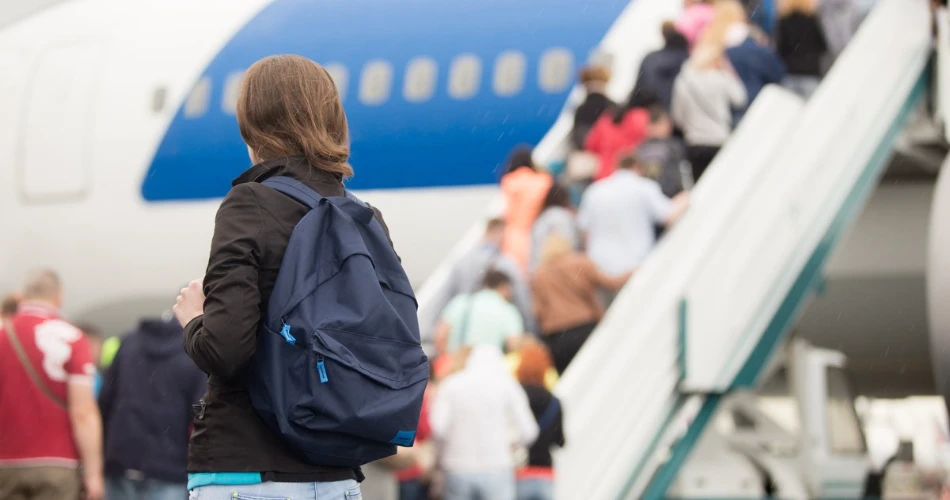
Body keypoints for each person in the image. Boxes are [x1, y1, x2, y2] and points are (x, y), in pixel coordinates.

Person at [172, 55, 385, 499]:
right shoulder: (364, 218)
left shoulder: (248, 204)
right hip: (338, 477)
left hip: (246, 473)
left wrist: (194, 320)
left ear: (253, 126)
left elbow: (227, 349)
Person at [0, 270, 104, 500]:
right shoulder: (73, 338)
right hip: (58, 464)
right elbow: (83, 413)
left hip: (5, 463)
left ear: (23, 296)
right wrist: (93, 474)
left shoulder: (3, 333)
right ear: (59, 297)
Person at [99, 314, 206, 500]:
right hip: (169, 467)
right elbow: (202, 414)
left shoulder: (129, 342)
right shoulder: (193, 351)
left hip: (120, 461)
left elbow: (104, 402)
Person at [430, 345, 539, 500]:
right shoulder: (507, 386)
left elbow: (438, 428)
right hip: (497, 467)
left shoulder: (451, 385)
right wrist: (510, 443)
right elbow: (529, 431)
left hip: (457, 467)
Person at [578, 152, 690, 280]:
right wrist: (685, 198)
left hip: (601, 270)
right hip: (635, 266)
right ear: (638, 167)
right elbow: (668, 215)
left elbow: (584, 232)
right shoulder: (644, 187)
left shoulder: (593, 191)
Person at [531, 235, 630, 374]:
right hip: (586, 328)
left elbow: (538, 312)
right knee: (600, 373)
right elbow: (610, 283)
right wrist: (633, 272)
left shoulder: (538, 275)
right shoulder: (581, 263)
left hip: (558, 337)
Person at [438, 217, 535, 334]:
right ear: (501, 233)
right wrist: (531, 329)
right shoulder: (506, 264)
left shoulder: (461, 262)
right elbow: (521, 299)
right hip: (495, 330)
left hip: (464, 330)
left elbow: (444, 300)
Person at [671, 44, 747, 181]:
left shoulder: (682, 82)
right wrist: (729, 70)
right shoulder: (720, 78)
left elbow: (677, 117)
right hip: (719, 139)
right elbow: (740, 98)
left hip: (695, 142)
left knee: (700, 187)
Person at [434, 269, 526, 360]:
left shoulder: (461, 302)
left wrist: (450, 362)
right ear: (505, 287)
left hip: (455, 367)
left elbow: (440, 336)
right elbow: (514, 345)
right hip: (489, 368)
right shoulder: (508, 310)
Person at [715, 0, 786, 115]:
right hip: (757, 104)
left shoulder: (714, 49)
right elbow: (777, 72)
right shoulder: (752, 45)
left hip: (729, 110)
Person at [514, 342, 565, 500]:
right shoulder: (554, 402)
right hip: (544, 472)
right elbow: (560, 441)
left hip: (519, 471)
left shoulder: (515, 398)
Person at [500, 147, 554, 271]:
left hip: (513, 235)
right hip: (538, 232)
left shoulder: (510, 181)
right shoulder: (544, 180)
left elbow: (507, 212)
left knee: (515, 270)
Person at [584, 90, 653, 181]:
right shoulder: (641, 117)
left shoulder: (605, 119)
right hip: (632, 176)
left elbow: (590, 145)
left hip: (604, 177)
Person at [775, 0, 828, 99]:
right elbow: (823, 47)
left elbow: (779, 50)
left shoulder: (783, 21)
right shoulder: (812, 20)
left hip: (790, 74)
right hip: (810, 73)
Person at [637, 105, 691, 197]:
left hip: (651, 197)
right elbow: (683, 171)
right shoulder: (673, 146)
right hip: (672, 196)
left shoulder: (640, 149)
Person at [637, 21, 690, 111]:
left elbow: (640, 86)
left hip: (649, 108)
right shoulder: (685, 59)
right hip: (671, 109)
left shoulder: (650, 57)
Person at [529, 183, 579, 272]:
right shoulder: (564, 217)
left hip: (539, 270)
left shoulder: (540, 218)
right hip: (559, 270)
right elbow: (570, 243)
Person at [570, 66, 617, 150]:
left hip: (589, 154)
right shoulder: (613, 107)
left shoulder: (581, 110)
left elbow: (579, 139)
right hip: (611, 153)